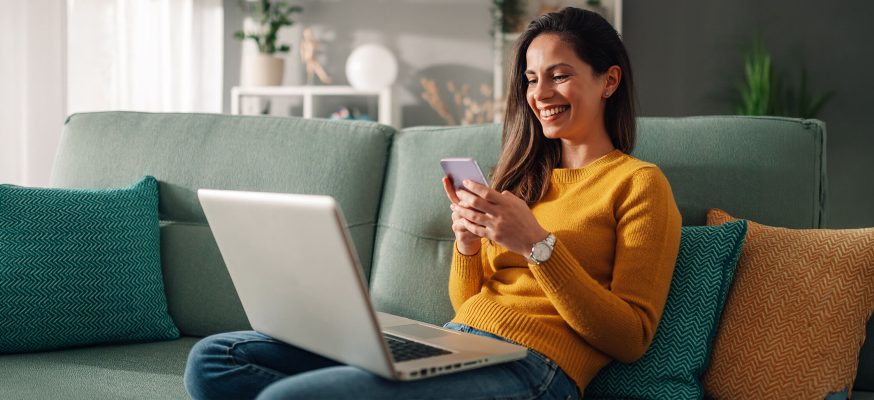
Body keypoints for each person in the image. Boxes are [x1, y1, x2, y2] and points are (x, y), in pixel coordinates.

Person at [183, 7, 681, 400]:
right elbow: (469, 306)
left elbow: (631, 337)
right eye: (531, 79)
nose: (540, 92)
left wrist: (539, 246)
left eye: (559, 75)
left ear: (609, 81)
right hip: (457, 344)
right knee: (214, 360)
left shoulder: (638, 184)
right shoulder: (520, 181)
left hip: (535, 370)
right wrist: (466, 246)